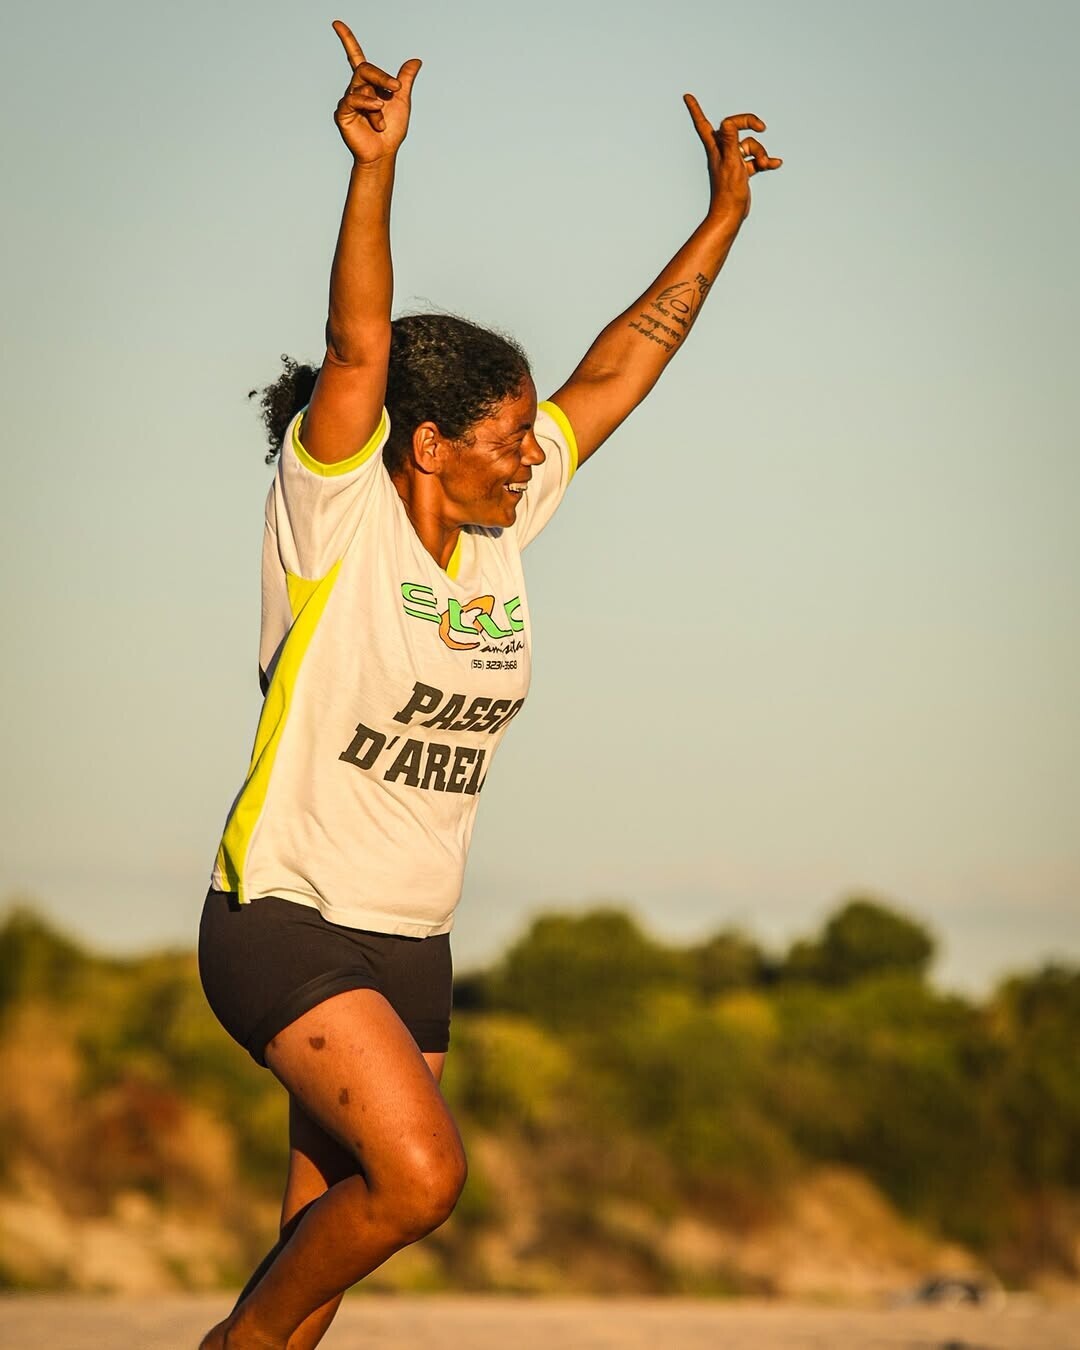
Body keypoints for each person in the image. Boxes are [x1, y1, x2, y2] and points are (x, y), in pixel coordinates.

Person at [198, 18, 780, 1349]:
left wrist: (722, 218)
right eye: (508, 437)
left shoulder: (504, 523)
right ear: (428, 445)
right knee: (423, 1176)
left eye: (533, 435)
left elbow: (624, 361)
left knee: (327, 1245)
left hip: (414, 946)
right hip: (284, 917)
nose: (535, 453)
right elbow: (357, 348)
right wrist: (374, 167)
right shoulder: (336, 513)